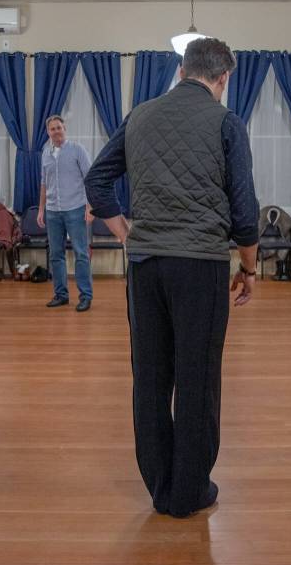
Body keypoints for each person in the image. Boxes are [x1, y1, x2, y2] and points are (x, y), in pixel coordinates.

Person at [85, 37, 259, 518]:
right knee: (197, 377)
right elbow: (244, 211)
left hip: (144, 267)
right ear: (222, 78)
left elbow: (97, 180)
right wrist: (248, 267)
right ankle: (189, 491)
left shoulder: (139, 115)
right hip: (199, 265)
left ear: (183, 70)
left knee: (152, 376)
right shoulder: (226, 122)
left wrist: (124, 231)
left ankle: (160, 487)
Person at [36, 115, 94, 312]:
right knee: (56, 254)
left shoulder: (78, 150)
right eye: (52, 129)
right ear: (48, 132)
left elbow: (90, 178)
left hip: (76, 209)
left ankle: (85, 296)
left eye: (59, 127)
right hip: (53, 211)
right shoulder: (45, 153)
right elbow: (44, 183)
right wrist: (41, 209)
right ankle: (61, 295)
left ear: (64, 128)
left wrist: (90, 206)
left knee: (81, 253)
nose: (56, 131)